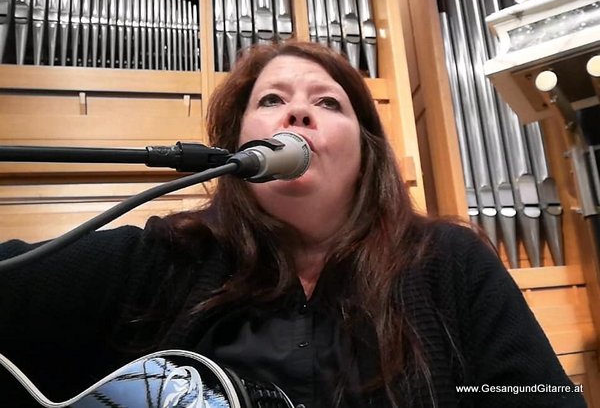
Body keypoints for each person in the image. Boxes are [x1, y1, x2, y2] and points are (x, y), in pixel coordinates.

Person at [0, 42, 586, 408]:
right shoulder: (165, 256)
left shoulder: (448, 260)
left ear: (366, 153)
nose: (298, 111)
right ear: (237, 146)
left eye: (329, 103)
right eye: (271, 99)